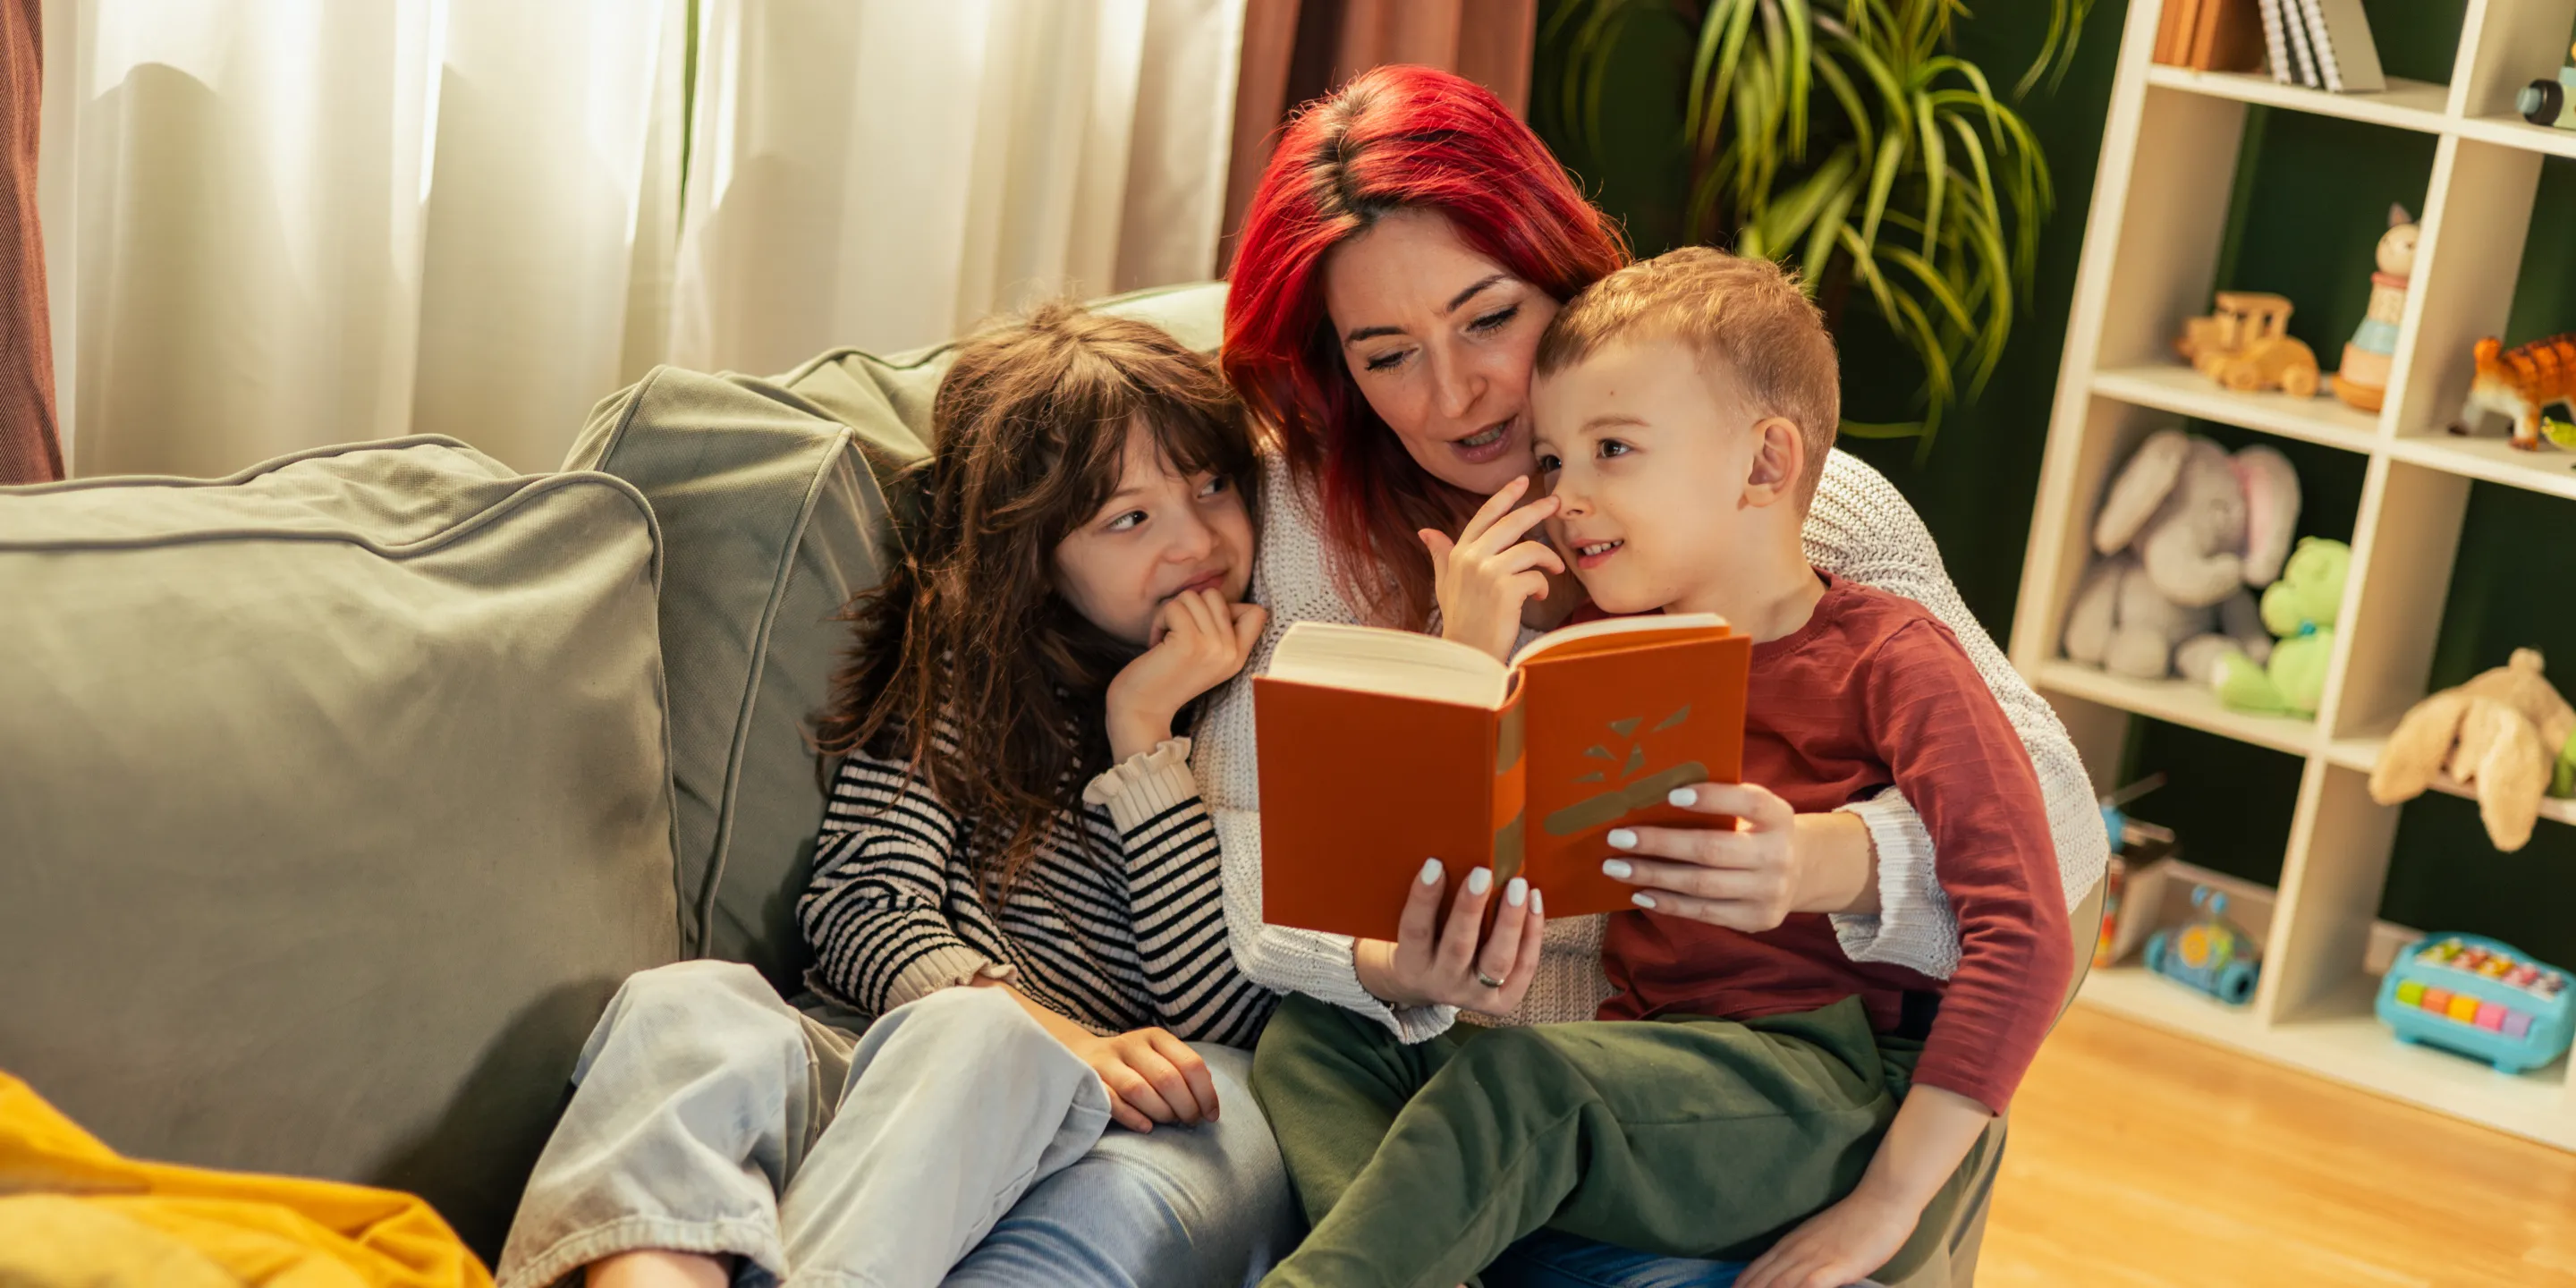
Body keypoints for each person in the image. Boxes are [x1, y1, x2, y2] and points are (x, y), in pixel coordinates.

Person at [1197, 61, 2102, 1041]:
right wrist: (1383, 962)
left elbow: (2053, 815)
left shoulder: (1799, 502)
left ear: (1563, 275)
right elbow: (1248, 840)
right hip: (1430, 1064)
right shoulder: (1301, 522)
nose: (1459, 394)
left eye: (1490, 318)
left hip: (1706, 1067)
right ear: (1340, 374)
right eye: (1389, 355)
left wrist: (1826, 858)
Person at [1250, 245, 2074, 1288]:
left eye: (1613, 449)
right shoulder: (1594, 661)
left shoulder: (1889, 656)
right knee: (1321, 1036)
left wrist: (1886, 1205)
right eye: (1552, 462)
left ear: (1766, 465)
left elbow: (2029, 929)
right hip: (1643, 1075)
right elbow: (1429, 864)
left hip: (1816, 1087)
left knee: (1523, 1085)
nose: (1566, 498)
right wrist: (1467, 660)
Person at [494, 304, 1299, 1288]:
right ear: (1036, 556)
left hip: (1044, 1123)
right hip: (866, 1056)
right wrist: (1052, 1028)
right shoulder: (974, 670)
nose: (1197, 542)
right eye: (1129, 518)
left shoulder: (1246, 712)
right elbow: (863, 904)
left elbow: (1221, 1008)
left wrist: (1146, 745)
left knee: (983, 1037)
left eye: (1213, 486)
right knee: (687, 1005)